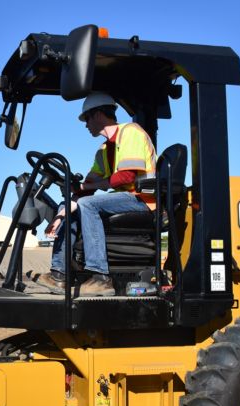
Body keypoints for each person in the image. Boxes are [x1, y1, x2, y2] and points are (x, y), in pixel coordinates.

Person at [37, 92, 156, 296]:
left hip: (142, 199)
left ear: (99, 114)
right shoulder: (103, 150)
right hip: (121, 200)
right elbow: (88, 187)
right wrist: (62, 213)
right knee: (70, 206)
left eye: (87, 119)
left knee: (88, 204)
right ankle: (59, 274)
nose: (85, 125)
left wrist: (85, 189)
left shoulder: (131, 132)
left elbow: (126, 177)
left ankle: (100, 277)